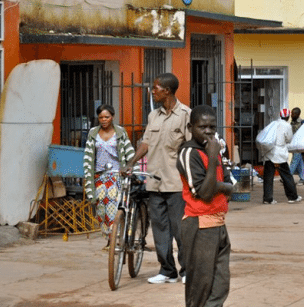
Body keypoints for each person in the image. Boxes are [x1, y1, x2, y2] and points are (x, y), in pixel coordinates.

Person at [126, 72, 191, 284]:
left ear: (167, 90)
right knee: (160, 230)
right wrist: (131, 162)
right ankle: (167, 270)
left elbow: (191, 147)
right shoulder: (153, 116)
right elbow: (145, 143)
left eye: (156, 88)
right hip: (153, 181)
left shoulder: (185, 115)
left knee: (180, 229)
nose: (152, 91)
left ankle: (186, 270)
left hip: (175, 182)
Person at [176, 105, 234, 307]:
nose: (208, 132)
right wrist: (211, 160)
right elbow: (206, 193)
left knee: (220, 285)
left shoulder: (215, 150)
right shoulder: (189, 153)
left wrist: (221, 185)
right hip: (199, 225)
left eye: (212, 127)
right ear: (191, 127)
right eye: (203, 127)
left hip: (218, 223)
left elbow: (230, 185)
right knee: (200, 287)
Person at [82, 104, 136, 244]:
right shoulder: (93, 133)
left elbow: (129, 151)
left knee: (112, 205)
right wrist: (88, 179)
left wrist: (132, 168)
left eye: (107, 117)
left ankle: (115, 240)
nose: (104, 120)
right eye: (101, 117)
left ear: (112, 117)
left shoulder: (120, 132)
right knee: (101, 209)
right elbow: (88, 158)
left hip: (116, 175)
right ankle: (109, 238)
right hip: (99, 176)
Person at [262, 109, 301, 204]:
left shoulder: (273, 123)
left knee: (268, 177)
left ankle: (267, 198)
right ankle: (292, 197)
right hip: (280, 154)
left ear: (280, 115)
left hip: (270, 153)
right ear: (287, 117)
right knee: (287, 176)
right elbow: (289, 139)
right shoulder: (287, 126)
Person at [289, 107, 304, 185]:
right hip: (294, 144)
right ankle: (303, 178)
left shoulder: (300, 123)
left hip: (298, 144)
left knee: (294, 161)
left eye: (293, 113)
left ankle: (287, 176)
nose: (291, 115)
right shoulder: (293, 122)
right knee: (300, 162)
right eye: (291, 113)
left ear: (298, 114)